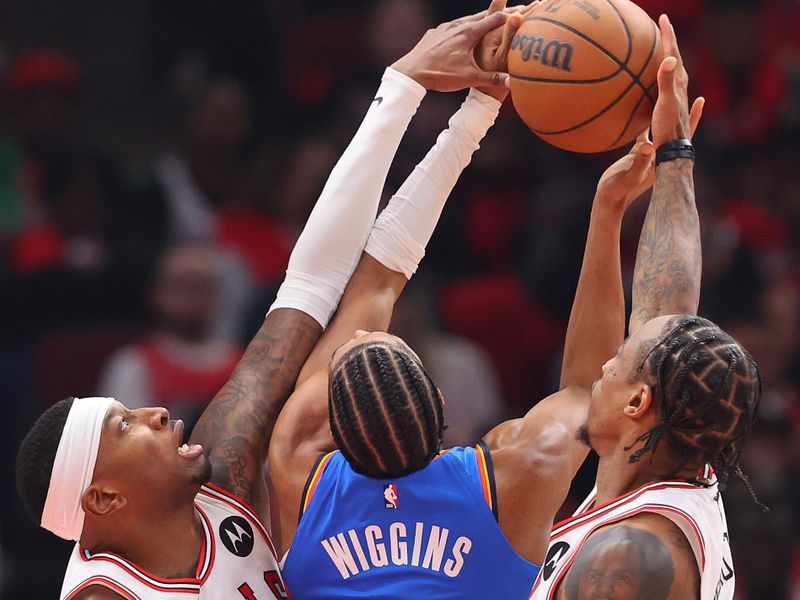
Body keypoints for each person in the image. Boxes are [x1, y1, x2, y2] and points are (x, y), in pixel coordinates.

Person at [14, 10, 516, 599]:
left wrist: (447, 103)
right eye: (125, 425)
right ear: (103, 498)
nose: (153, 413)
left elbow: (320, 286)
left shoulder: (224, 471)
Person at [268, 9, 719, 600]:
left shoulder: (298, 467)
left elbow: (372, 281)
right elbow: (594, 389)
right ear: (442, 401)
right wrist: (602, 211)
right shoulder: (509, 475)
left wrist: (468, 109)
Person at [528, 16, 757, 600]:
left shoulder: (628, 555)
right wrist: (672, 156)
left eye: (618, 361)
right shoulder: (673, 470)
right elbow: (668, 304)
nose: (603, 366)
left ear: (637, 401)